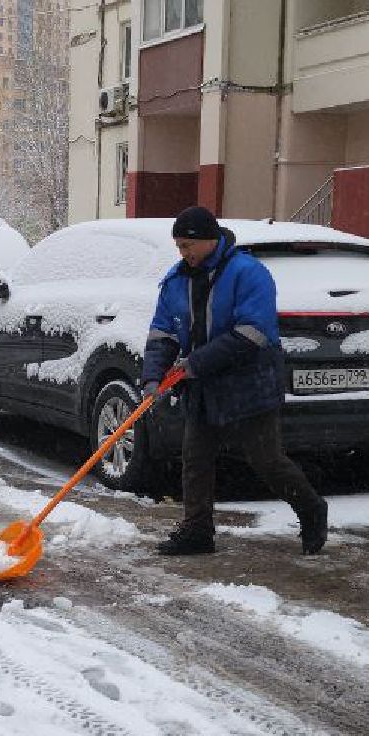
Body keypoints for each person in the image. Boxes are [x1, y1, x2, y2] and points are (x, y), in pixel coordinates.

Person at [140, 206, 328, 557]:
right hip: (202, 385)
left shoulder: (248, 273)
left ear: (210, 239)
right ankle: (197, 532)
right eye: (179, 246)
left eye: (187, 245)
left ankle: (311, 508)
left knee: (266, 460)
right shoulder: (176, 279)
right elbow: (162, 333)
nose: (183, 253)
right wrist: (153, 376)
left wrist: (197, 362)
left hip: (249, 382)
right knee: (195, 459)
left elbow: (253, 332)